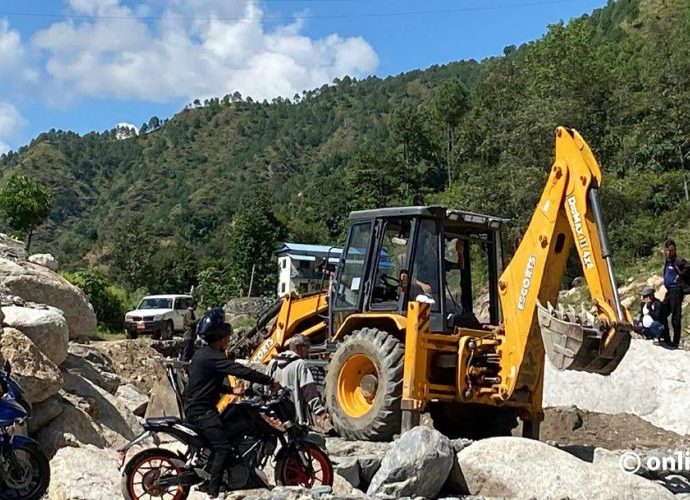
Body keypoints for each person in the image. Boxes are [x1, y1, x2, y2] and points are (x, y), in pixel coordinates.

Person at [184, 308, 279, 500]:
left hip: (198, 409)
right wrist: (269, 380)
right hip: (202, 412)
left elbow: (205, 384)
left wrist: (231, 391)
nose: (229, 341)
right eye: (227, 337)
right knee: (223, 448)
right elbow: (240, 371)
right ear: (220, 339)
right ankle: (213, 492)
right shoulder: (213, 356)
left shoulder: (203, 354)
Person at [264, 334, 330, 429]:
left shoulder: (273, 362)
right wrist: (320, 412)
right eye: (306, 347)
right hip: (295, 422)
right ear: (298, 348)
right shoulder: (300, 364)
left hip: (277, 421)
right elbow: (309, 390)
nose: (308, 351)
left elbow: (266, 390)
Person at [661, 240, 689, 347]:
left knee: (675, 317)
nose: (669, 252)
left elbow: (688, 266)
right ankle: (666, 338)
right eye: (667, 250)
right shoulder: (668, 261)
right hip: (669, 291)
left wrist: (680, 275)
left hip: (676, 290)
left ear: (675, 250)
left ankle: (675, 342)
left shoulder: (678, 260)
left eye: (671, 250)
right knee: (662, 313)